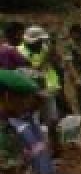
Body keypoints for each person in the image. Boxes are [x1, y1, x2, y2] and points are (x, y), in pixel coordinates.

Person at [19, 26, 63, 154]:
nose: (42, 44)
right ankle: (37, 152)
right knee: (35, 123)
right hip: (31, 94)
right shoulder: (20, 52)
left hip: (48, 90)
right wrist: (47, 58)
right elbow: (33, 71)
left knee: (53, 120)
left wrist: (54, 53)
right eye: (39, 41)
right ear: (31, 42)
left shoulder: (44, 48)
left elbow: (57, 63)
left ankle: (55, 148)